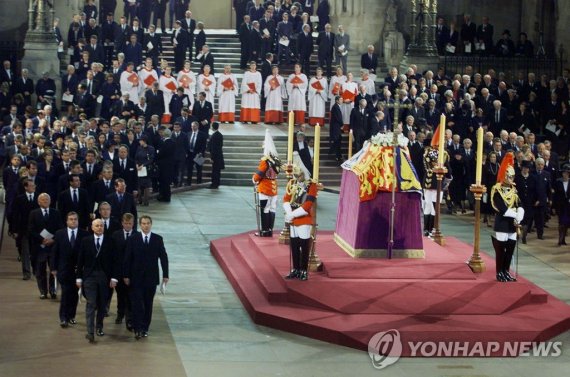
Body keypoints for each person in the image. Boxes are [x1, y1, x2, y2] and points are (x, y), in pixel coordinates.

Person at [123, 215, 169, 339]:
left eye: (148, 223)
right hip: (136, 278)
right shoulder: (133, 239)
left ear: (151, 224)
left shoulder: (157, 239)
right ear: (140, 225)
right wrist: (126, 275)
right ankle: (137, 329)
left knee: (148, 304)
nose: (146, 225)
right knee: (137, 304)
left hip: (151, 278)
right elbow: (127, 258)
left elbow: (163, 257)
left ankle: (144, 328)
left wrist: (166, 275)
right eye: (143, 223)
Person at [76, 218, 115, 342]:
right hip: (89, 277)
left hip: (105, 277)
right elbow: (80, 260)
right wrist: (78, 278)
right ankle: (90, 332)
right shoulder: (85, 241)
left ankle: (99, 326)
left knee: (102, 304)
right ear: (92, 228)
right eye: (97, 225)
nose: (99, 227)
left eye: (101, 226)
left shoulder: (110, 241)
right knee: (91, 303)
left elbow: (116, 260)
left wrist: (114, 278)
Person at [491, 152, 524, 282]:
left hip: (512, 224)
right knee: (501, 250)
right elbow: (503, 209)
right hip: (502, 223)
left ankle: (506, 271)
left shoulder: (513, 190)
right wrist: (515, 214)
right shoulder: (497, 189)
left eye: (512, 177)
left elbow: (519, 203)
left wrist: (520, 215)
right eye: (510, 177)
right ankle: (499, 272)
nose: (512, 179)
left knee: (510, 250)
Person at [283, 158, 318, 281]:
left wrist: (292, 215)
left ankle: (303, 270)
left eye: (300, 175)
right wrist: (289, 213)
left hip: (303, 219)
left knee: (304, 246)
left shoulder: (311, 185)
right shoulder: (292, 183)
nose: (298, 177)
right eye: (296, 175)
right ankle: (296, 269)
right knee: (294, 246)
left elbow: (307, 205)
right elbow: (286, 199)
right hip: (293, 218)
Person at [51, 212, 88, 328]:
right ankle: (63, 318)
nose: (73, 221)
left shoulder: (84, 234)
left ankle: (71, 316)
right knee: (66, 294)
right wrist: (53, 267)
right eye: (71, 219)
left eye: (75, 219)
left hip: (78, 271)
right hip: (64, 270)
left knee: (75, 295)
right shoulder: (59, 233)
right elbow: (55, 252)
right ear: (66, 221)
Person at [28, 194, 63, 299]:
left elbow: (60, 228)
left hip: (53, 246)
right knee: (40, 270)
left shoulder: (56, 213)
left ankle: (53, 290)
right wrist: (42, 239)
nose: (45, 201)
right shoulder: (33, 213)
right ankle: (43, 291)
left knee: (53, 269)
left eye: (47, 199)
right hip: (39, 247)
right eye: (43, 200)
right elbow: (31, 230)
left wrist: (53, 240)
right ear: (39, 202)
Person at [252, 130, 282, 237]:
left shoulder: (265, 161)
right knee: (272, 209)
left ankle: (264, 231)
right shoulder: (276, 160)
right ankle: (270, 230)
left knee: (265, 209)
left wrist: (254, 179)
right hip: (274, 187)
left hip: (265, 187)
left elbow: (259, 174)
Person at [111, 212, 136, 330]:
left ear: (133, 224)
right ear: (122, 223)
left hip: (132, 272)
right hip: (119, 272)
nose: (127, 225)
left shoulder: (137, 235)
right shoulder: (116, 235)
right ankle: (120, 314)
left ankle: (129, 319)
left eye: (130, 223)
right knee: (121, 295)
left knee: (130, 297)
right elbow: (113, 255)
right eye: (125, 223)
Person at [156, 128, 175, 202]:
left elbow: (161, 153)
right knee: (167, 182)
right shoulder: (173, 142)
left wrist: (158, 152)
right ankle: (167, 196)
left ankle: (164, 197)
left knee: (163, 182)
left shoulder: (164, 143)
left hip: (163, 165)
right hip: (170, 165)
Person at [554, 164, 570, 246]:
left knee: (566, 223)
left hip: (569, 207)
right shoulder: (558, 182)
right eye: (564, 172)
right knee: (561, 223)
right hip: (561, 206)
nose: (565, 174)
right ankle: (560, 240)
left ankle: (563, 239)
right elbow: (555, 195)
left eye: (567, 173)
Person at [208, 122, 225, 189]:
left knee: (215, 171)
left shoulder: (215, 135)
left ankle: (214, 184)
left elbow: (214, 148)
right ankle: (216, 184)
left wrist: (212, 157)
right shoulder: (219, 134)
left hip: (216, 157)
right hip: (218, 156)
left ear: (212, 127)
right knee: (217, 171)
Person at [329, 95, 343, 162]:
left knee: (338, 141)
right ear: (337, 100)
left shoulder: (336, 106)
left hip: (336, 127)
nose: (342, 101)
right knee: (337, 142)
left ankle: (337, 155)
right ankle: (337, 155)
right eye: (340, 100)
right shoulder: (335, 107)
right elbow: (338, 118)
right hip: (336, 127)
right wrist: (342, 124)